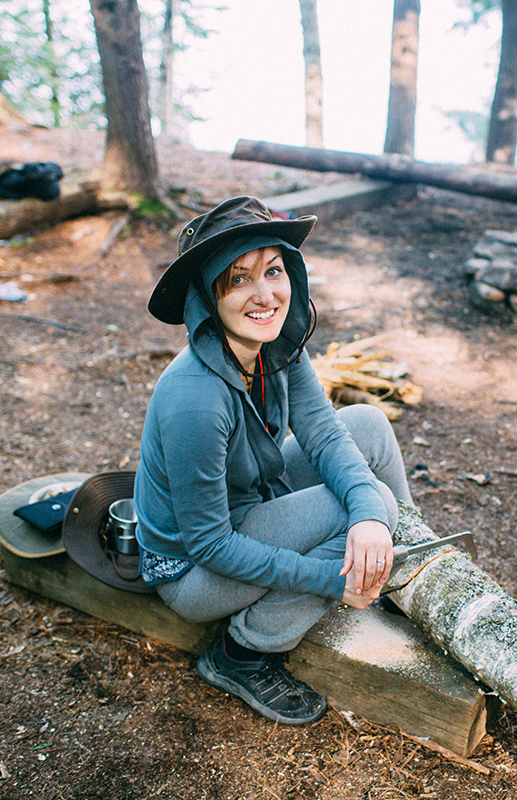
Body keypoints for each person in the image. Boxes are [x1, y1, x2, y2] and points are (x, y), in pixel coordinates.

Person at [134, 196, 414, 725]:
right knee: (360, 507)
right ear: (207, 297)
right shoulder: (193, 397)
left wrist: (370, 518)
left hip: (255, 503)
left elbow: (325, 435)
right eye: (238, 279)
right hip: (193, 570)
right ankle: (243, 653)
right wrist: (332, 579)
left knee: (368, 428)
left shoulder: (276, 345)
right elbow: (209, 544)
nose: (264, 295)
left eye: (274, 271)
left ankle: (397, 572)